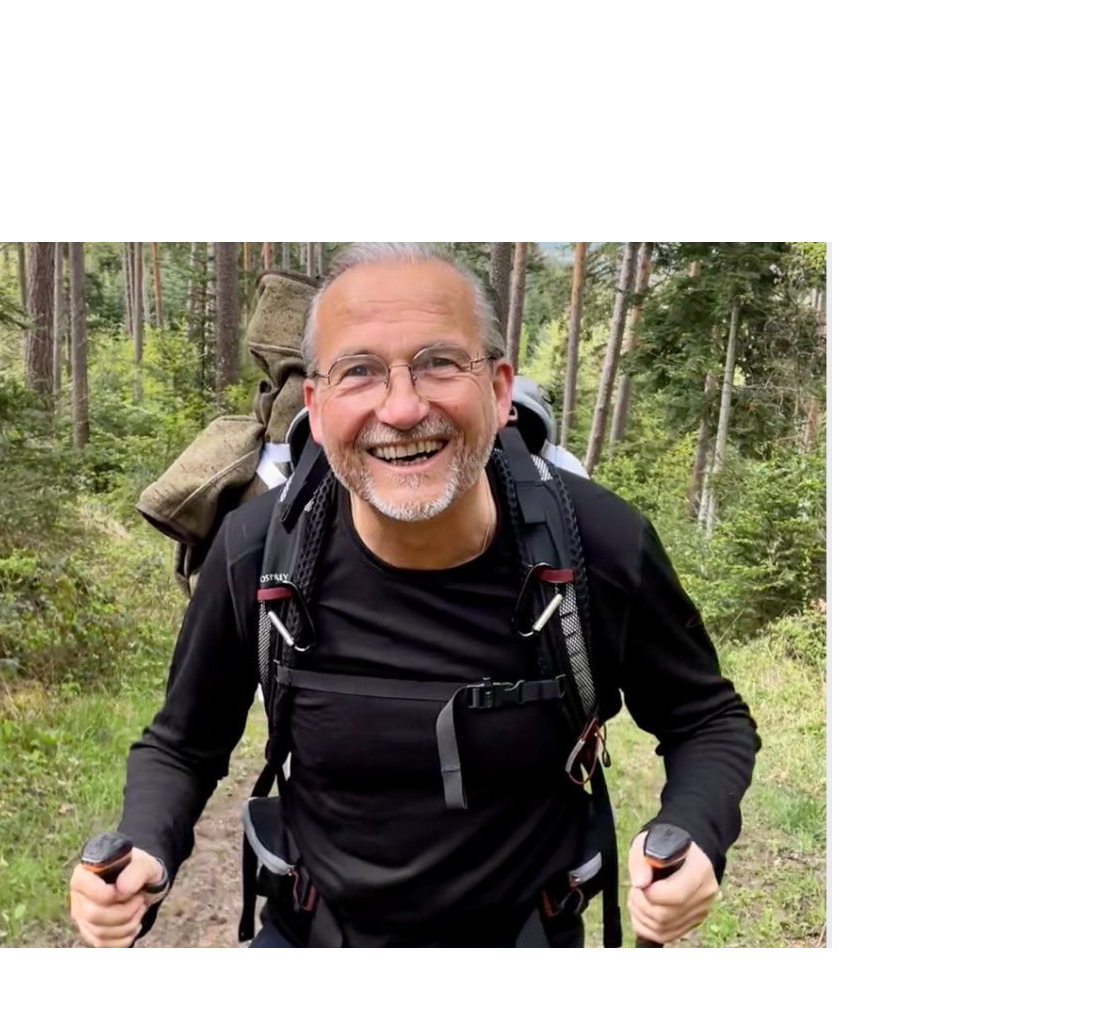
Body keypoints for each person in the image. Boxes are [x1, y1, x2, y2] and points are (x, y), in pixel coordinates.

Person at [69, 243, 758, 948]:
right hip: (311, 936)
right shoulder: (259, 551)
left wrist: (695, 831)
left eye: (439, 363)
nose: (401, 409)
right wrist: (145, 850)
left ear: (498, 391)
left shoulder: (598, 545)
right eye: (358, 371)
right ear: (316, 405)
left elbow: (706, 720)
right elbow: (183, 744)